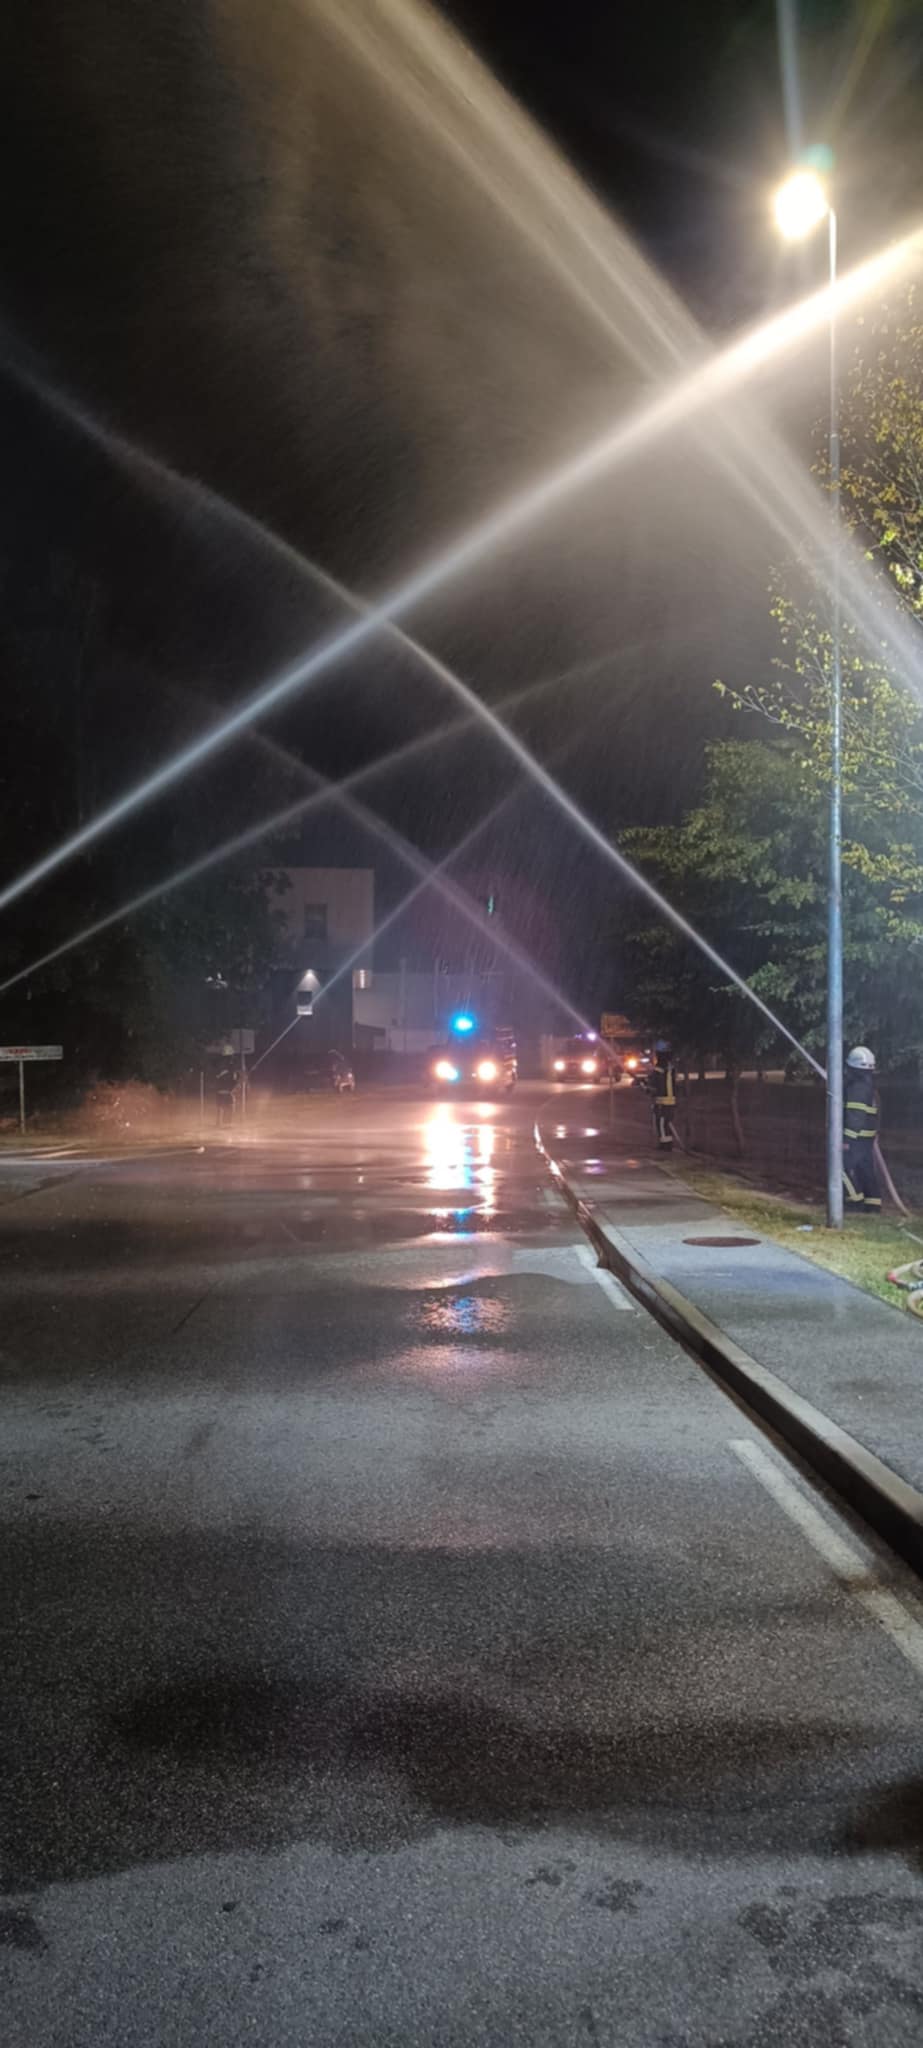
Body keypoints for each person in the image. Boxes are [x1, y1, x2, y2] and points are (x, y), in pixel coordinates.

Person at [842, 1045, 882, 1214]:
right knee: (865, 1169)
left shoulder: (857, 1088)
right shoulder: (869, 1086)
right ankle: (873, 1203)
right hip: (867, 1137)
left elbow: (855, 1116)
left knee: (839, 1167)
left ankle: (854, 1200)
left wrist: (847, 1140)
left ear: (853, 1068)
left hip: (856, 1137)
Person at [646, 1039, 676, 1151]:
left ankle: (665, 1146)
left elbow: (655, 1082)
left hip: (663, 1100)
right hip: (669, 1100)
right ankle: (667, 1143)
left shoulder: (660, 1067)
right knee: (666, 1123)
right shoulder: (670, 1066)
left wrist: (648, 1087)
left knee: (662, 1122)